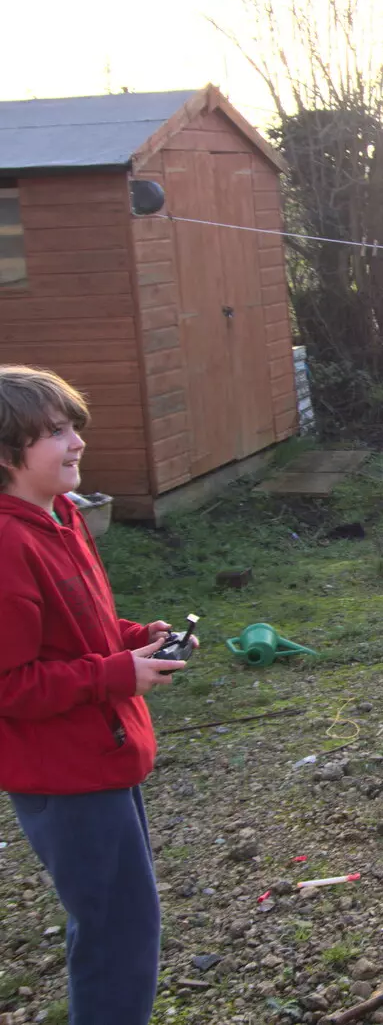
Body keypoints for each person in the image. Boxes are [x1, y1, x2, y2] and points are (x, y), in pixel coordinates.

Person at [0, 365, 193, 1024]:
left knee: (125, 921)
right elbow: (10, 684)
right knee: (118, 935)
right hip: (65, 776)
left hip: (103, 755)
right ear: (5, 453)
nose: (77, 442)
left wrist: (139, 637)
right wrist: (117, 674)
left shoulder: (58, 517)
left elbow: (76, 629)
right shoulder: (6, 544)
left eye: (73, 426)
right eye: (55, 431)